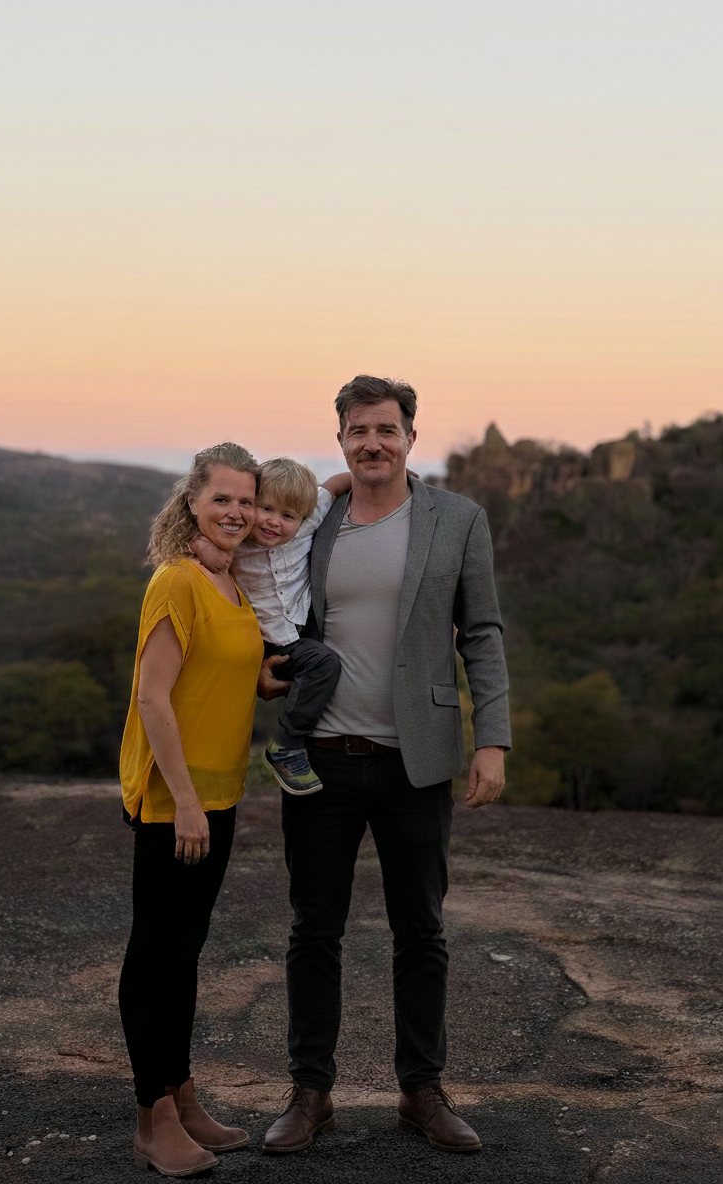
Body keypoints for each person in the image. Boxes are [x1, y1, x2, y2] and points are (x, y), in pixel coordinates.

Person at [259, 376, 512, 1155]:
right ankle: (311, 1094)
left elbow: (482, 632)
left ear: (410, 436)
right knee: (313, 931)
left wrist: (492, 739)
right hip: (323, 761)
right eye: (358, 430)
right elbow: (264, 593)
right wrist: (262, 668)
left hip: (418, 760)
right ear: (340, 439)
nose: (373, 442)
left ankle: (421, 1092)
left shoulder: (458, 519)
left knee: (422, 931)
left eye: (387, 430)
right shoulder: (318, 517)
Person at [117, 442, 263, 1177]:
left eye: (247, 500)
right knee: (157, 956)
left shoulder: (234, 586)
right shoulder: (177, 580)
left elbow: (223, 670)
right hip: (176, 802)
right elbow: (153, 696)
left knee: (186, 954)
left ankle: (184, 1093)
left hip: (221, 792)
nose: (236, 512)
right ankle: (154, 1118)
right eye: (222, 499)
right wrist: (182, 804)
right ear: (191, 504)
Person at [190, 457, 352, 795]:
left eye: (287, 516)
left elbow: (334, 486)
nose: (274, 522)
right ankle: (287, 744)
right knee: (325, 663)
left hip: (300, 631)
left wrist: (391, 478)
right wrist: (203, 545)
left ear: (302, 518)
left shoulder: (306, 529)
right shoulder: (235, 542)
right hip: (268, 643)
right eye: (266, 508)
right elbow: (187, 532)